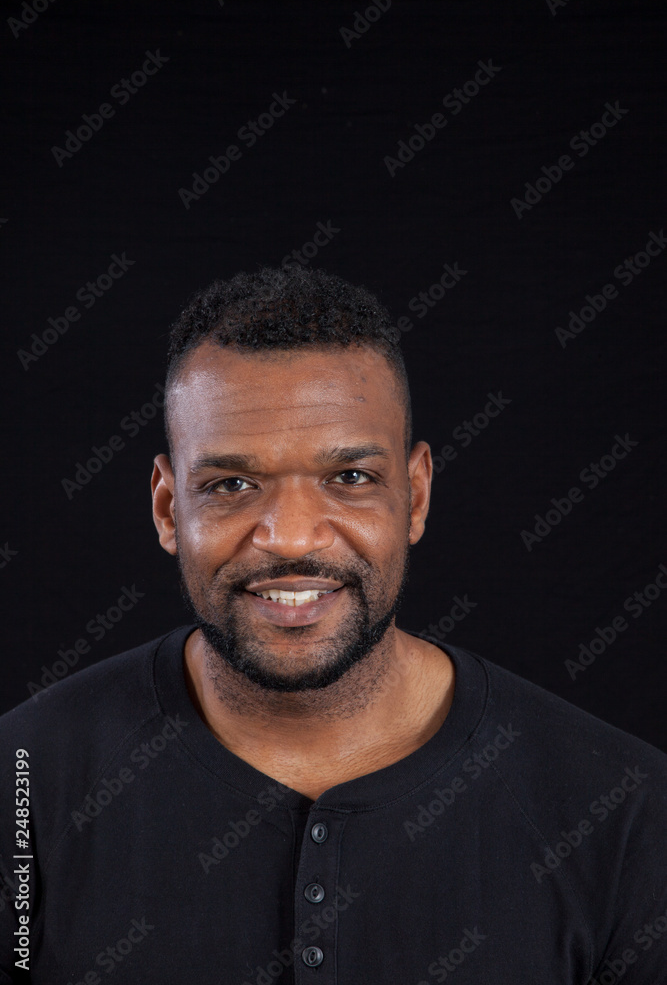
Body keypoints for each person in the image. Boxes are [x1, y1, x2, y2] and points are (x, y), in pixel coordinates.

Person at [1, 264, 665, 985]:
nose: (289, 538)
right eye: (231, 485)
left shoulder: (624, 809)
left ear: (413, 496)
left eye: (348, 479)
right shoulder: (20, 783)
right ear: (168, 509)